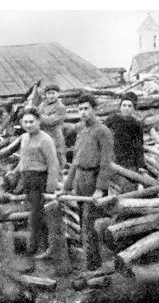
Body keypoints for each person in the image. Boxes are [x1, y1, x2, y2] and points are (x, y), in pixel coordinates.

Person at [13, 108, 71, 273]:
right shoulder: (24, 138)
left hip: (41, 181)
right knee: (35, 220)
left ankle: (44, 259)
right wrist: (16, 172)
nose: (28, 125)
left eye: (31, 121)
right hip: (28, 181)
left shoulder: (46, 139)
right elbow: (23, 159)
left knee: (38, 221)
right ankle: (41, 256)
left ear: (39, 122)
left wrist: (50, 189)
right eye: (25, 122)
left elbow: (53, 164)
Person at [63, 93, 114, 271]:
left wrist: (100, 188)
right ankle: (92, 263)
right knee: (84, 224)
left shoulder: (103, 131)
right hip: (80, 180)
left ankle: (95, 267)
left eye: (86, 109)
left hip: (94, 180)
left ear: (95, 110)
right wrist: (67, 186)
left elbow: (107, 162)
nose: (83, 112)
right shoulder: (82, 131)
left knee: (91, 224)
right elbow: (75, 161)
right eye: (80, 109)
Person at [104, 92, 145, 193]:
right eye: (124, 105)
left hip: (128, 161)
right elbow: (102, 135)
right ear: (120, 107)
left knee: (129, 186)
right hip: (113, 157)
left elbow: (139, 146)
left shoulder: (136, 125)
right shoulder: (112, 119)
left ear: (133, 109)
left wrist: (140, 165)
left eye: (129, 106)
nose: (126, 108)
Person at [37, 84, 67, 168]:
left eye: (53, 93)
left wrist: (37, 116)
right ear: (46, 95)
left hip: (55, 137)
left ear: (58, 94)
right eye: (49, 93)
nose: (51, 96)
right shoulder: (42, 105)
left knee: (58, 160)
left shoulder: (61, 107)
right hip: (42, 136)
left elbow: (51, 121)